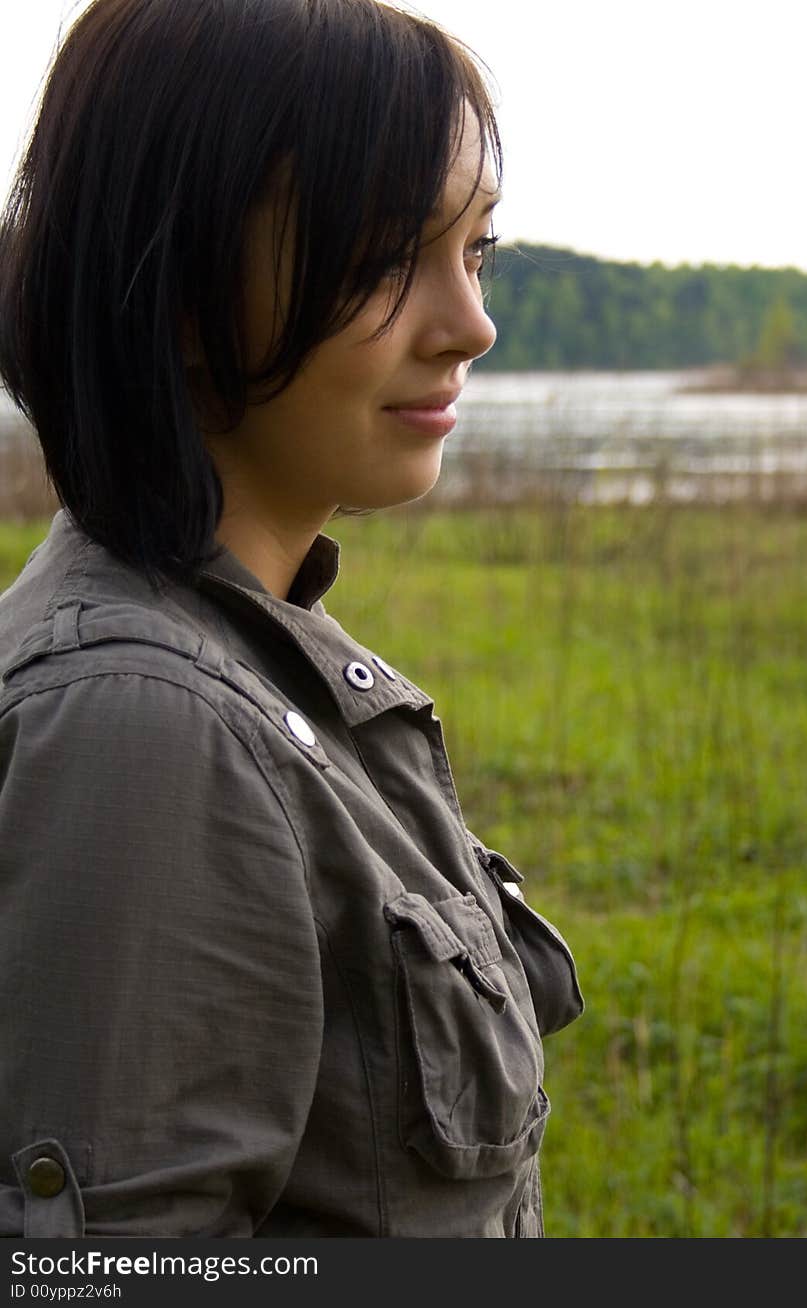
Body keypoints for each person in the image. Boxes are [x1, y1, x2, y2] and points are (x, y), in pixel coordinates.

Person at [0, 0, 583, 1239]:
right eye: (383, 257)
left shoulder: (256, 666)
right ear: (183, 278)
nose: (471, 325)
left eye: (475, 252)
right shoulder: (140, 728)